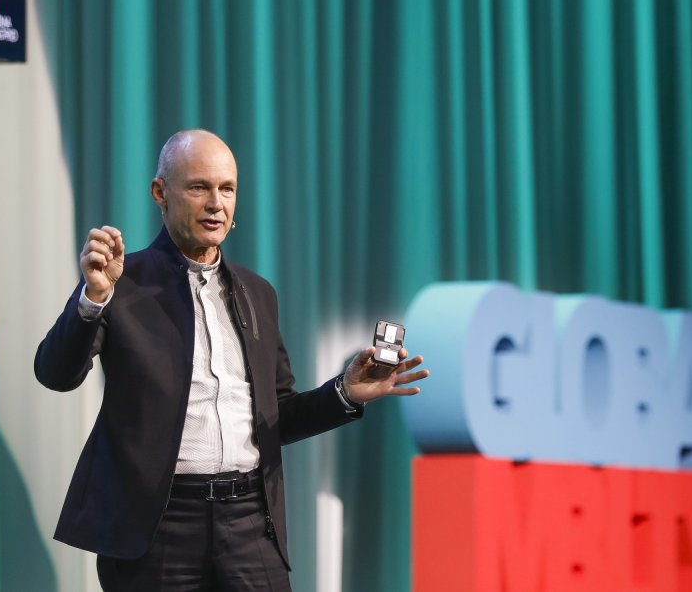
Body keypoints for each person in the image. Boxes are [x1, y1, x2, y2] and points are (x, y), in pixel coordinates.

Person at [35, 129, 428, 591]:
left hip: (249, 522)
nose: (215, 204)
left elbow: (276, 417)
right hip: (157, 527)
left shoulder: (257, 292)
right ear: (160, 192)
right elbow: (56, 374)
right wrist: (93, 299)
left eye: (227, 189)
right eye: (199, 187)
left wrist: (344, 392)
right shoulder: (121, 281)